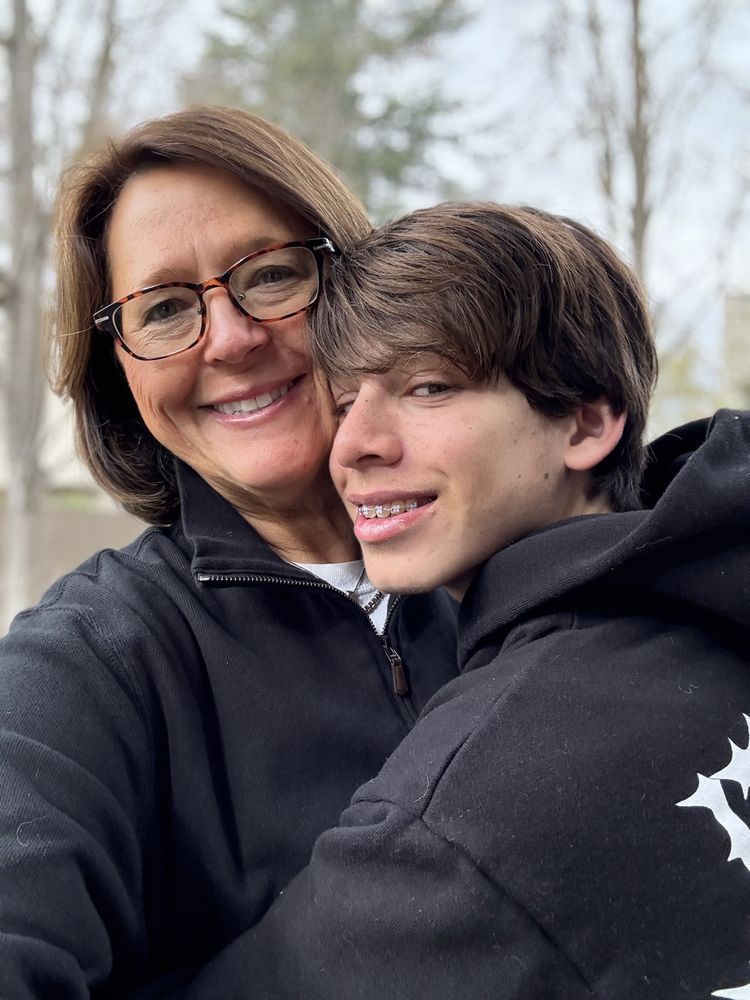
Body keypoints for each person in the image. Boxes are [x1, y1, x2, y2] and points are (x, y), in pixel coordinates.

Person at [180, 203, 750, 999]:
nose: (353, 447)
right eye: (345, 403)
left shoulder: (470, 809)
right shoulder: (715, 597)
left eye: (427, 386)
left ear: (587, 422)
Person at [0, 108, 459, 998]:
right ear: (119, 375)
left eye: (274, 274)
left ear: (358, 286)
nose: (235, 337)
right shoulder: (85, 667)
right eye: (166, 308)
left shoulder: (524, 577)